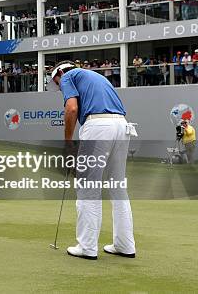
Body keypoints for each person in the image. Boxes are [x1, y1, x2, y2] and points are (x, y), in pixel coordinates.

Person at [47, 60, 136, 260]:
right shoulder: (97, 77)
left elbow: (71, 109)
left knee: (88, 187)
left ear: (60, 72)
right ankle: (125, 245)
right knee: (118, 187)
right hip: (123, 126)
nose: (60, 86)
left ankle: (87, 247)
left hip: (97, 125)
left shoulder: (69, 75)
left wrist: (68, 143)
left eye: (57, 82)